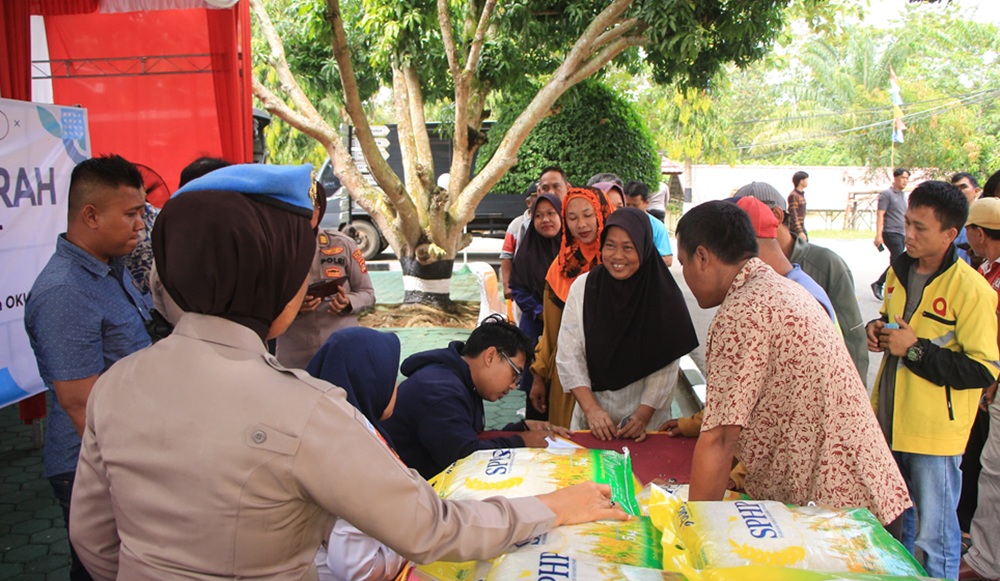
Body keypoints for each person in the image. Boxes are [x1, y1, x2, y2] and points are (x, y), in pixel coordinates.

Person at [69, 164, 627, 580]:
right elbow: (430, 529)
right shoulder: (305, 409)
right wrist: (553, 506)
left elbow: (94, 542)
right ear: (273, 281)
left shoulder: (119, 383)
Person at [674, 200, 911, 528]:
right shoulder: (787, 289)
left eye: (684, 262)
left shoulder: (741, 313)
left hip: (839, 518)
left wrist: (694, 533)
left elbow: (720, 438)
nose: (684, 274)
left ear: (702, 257)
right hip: (867, 498)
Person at [24, 154, 153, 581]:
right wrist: (133, 476)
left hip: (121, 451)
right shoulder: (65, 292)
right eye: (132, 214)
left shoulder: (109, 269)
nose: (141, 224)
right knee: (102, 570)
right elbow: (81, 405)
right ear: (91, 215)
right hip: (93, 466)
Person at [865, 181, 999, 579]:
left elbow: (983, 369)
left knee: (936, 540)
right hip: (889, 424)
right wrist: (878, 329)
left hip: (934, 438)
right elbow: (897, 326)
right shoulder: (897, 272)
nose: (908, 234)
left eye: (920, 228)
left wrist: (916, 349)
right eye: (907, 223)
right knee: (896, 533)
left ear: (950, 234)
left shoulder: (971, 289)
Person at [557, 207, 697, 441]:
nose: (617, 256)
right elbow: (569, 355)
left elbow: (667, 363)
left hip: (646, 424)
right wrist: (591, 410)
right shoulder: (584, 288)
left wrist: (642, 416)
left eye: (628, 247)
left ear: (643, 248)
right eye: (610, 245)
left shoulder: (663, 295)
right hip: (592, 420)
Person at [381, 315, 569, 480]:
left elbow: (463, 437)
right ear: (490, 356)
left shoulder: (460, 379)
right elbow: (465, 457)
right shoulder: (440, 390)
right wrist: (522, 442)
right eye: (515, 374)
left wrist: (522, 429)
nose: (514, 386)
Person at [732, 181, 869, 387]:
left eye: (745, 223)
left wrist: (853, 399)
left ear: (777, 216)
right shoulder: (742, 267)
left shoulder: (827, 264)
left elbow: (853, 338)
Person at [306, 327, 407, 581]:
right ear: (369, 380)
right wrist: (412, 546)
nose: (395, 386)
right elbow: (359, 569)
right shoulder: (351, 451)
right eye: (390, 376)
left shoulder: (319, 426)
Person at [528, 187, 614, 428]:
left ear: (603, 214)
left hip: (613, 377)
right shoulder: (561, 268)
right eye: (572, 217)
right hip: (568, 381)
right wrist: (538, 376)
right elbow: (551, 333)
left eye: (588, 215)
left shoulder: (619, 263)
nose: (581, 224)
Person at [276, 181, 375, 369]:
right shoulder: (277, 249)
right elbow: (264, 303)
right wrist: (295, 307)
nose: (311, 211)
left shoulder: (343, 244)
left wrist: (348, 302)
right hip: (294, 354)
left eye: (316, 205)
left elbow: (368, 293)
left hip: (341, 349)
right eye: (304, 205)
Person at [961, 197, 1000, 581]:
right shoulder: (986, 268)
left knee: (994, 473)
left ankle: (987, 563)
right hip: (989, 385)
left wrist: (993, 378)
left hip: (994, 382)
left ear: (978, 232)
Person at [509, 193, 563, 419]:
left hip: (565, 328)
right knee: (535, 391)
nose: (545, 220)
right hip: (535, 327)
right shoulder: (527, 250)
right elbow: (517, 288)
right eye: (538, 215)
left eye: (551, 213)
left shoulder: (571, 252)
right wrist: (539, 311)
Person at [594, 181, 673, 266]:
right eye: (627, 205)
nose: (630, 210)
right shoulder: (615, 223)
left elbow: (668, 260)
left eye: (635, 206)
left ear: (646, 203)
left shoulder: (657, 226)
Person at [872, 168, 911, 300]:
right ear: (896, 178)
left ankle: (890, 289)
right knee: (900, 260)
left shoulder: (904, 196)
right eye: (903, 178)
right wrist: (878, 235)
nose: (905, 181)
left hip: (902, 233)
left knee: (895, 262)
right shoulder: (887, 194)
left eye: (907, 178)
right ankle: (879, 283)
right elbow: (880, 214)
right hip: (890, 232)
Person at [500, 182, 538, 299]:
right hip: (522, 288)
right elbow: (507, 256)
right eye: (537, 196)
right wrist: (507, 286)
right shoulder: (517, 225)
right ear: (528, 202)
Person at [951, 172, 981, 266]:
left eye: (963, 187)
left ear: (976, 191)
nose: (959, 191)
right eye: (955, 188)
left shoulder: (984, 219)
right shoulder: (947, 219)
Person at [787, 171, 809, 241]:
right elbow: (793, 214)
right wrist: (799, 231)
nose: (807, 181)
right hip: (796, 228)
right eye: (806, 179)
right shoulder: (794, 195)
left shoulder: (800, 195)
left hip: (801, 225)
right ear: (801, 181)